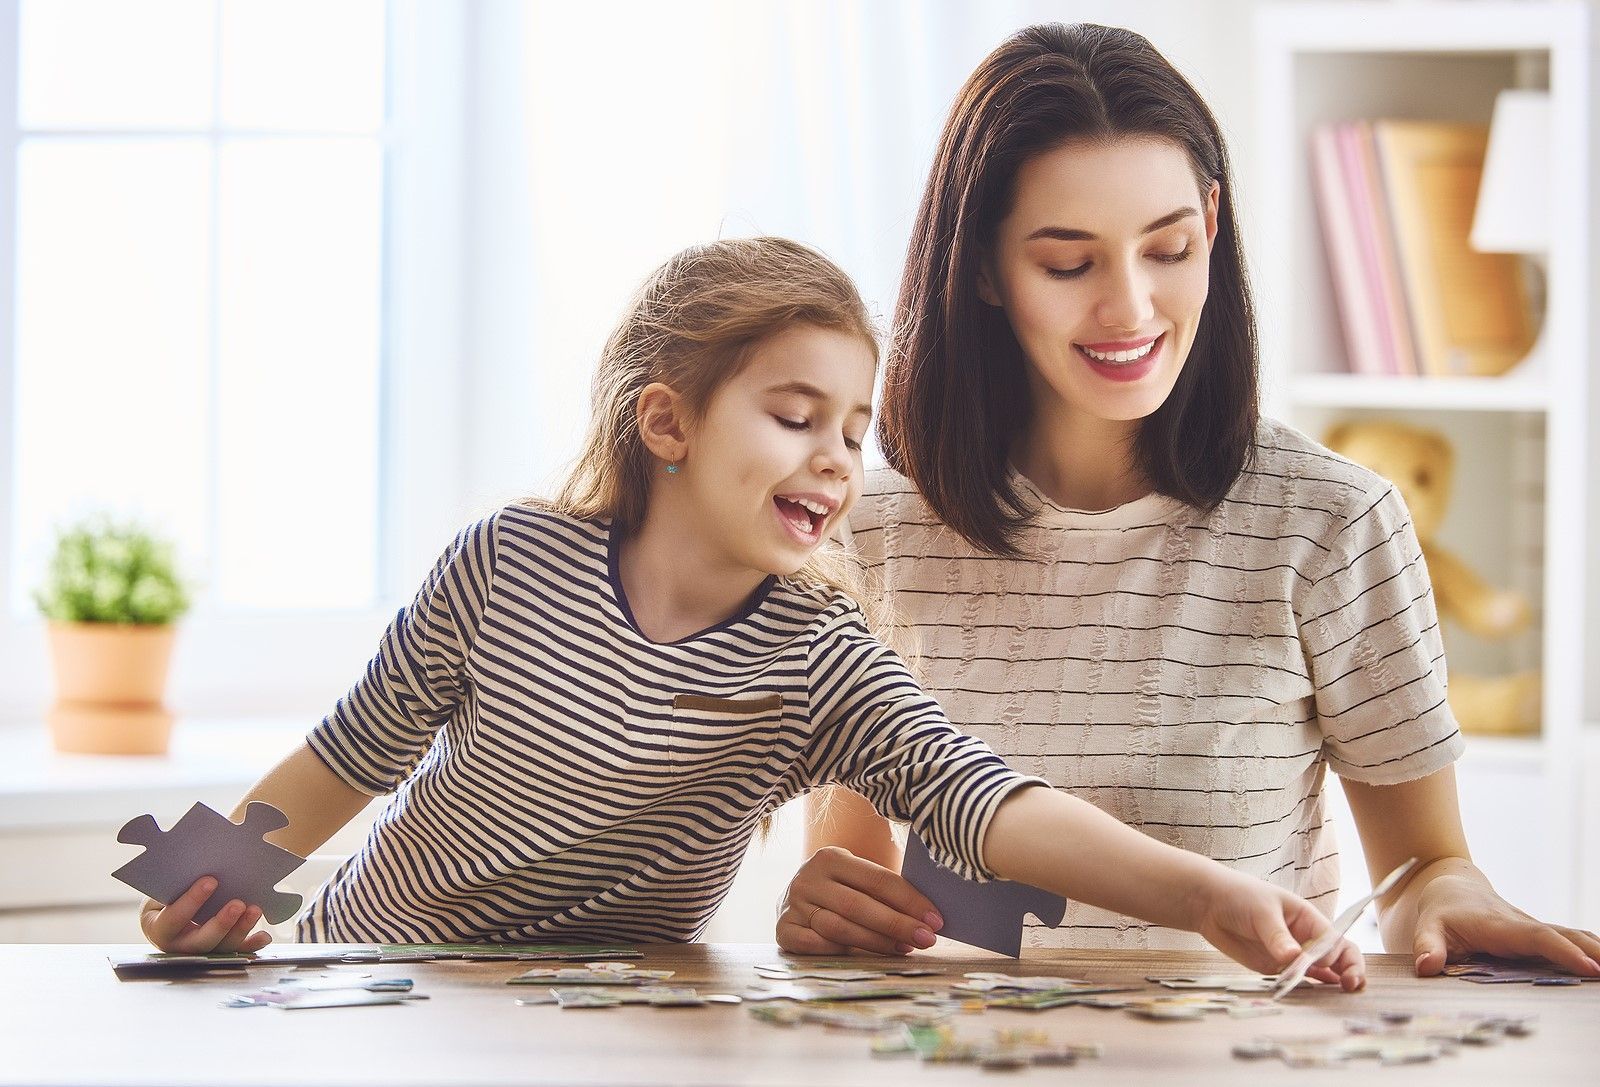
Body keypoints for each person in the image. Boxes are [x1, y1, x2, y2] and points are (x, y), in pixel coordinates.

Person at [135, 236, 1364, 986]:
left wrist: (1205, 894)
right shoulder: (507, 563)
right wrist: (198, 888)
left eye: (851, 429)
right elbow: (346, 758)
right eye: (793, 415)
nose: (836, 461)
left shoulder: (820, 656)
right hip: (368, 975)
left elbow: (982, 798)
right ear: (665, 422)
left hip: (603, 1029)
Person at [776, 24, 1600, 978]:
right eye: (1068, 263)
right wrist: (827, 902)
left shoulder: (1333, 523)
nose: (1130, 308)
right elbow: (854, 877)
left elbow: (1425, 868)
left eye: (1167, 247)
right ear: (985, 270)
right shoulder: (870, 533)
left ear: (1210, 221)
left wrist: (1453, 893)